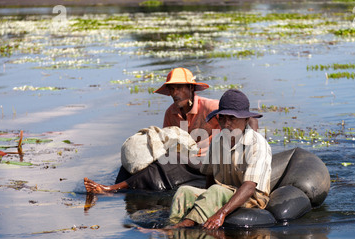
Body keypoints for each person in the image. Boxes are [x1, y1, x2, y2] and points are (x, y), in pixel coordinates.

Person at [84, 68, 258, 194]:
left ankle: (111, 189)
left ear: (190, 89)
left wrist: (249, 142)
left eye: (180, 87)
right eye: (172, 89)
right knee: (141, 161)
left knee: (167, 161)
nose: (175, 93)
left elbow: (249, 118)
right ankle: (120, 185)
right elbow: (166, 141)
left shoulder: (209, 106)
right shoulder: (171, 113)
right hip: (185, 158)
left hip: (206, 161)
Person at [168, 89, 272, 230]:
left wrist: (220, 214)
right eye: (222, 118)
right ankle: (173, 224)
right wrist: (205, 199)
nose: (226, 123)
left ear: (246, 120)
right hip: (223, 192)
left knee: (217, 190)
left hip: (251, 198)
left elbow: (249, 187)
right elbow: (209, 174)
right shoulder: (218, 140)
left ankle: (185, 225)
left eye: (232, 118)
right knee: (184, 191)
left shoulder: (257, 144)